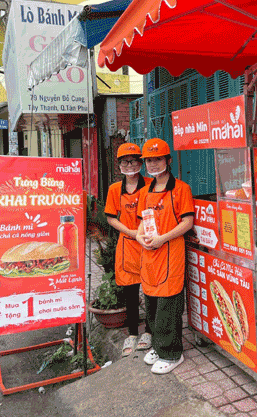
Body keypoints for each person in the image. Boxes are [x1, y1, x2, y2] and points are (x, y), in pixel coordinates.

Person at [136, 138, 194, 374]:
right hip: (150, 255)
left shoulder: (181, 189)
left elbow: (188, 222)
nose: (152, 164)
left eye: (157, 158)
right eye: (148, 160)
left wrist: (162, 239)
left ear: (168, 160)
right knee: (151, 302)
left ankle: (172, 353)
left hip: (171, 253)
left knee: (168, 305)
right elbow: (141, 223)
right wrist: (141, 238)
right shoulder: (145, 191)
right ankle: (159, 348)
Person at [104, 142, 152, 356]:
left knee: (151, 289)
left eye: (133, 161)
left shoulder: (151, 184)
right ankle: (132, 334)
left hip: (150, 243)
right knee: (130, 291)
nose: (130, 165)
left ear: (140, 163)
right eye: (125, 161)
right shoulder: (115, 189)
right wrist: (133, 234)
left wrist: (143, 235)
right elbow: (110, 218)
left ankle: (149, 332)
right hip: (128, 245)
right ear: (119, 165)